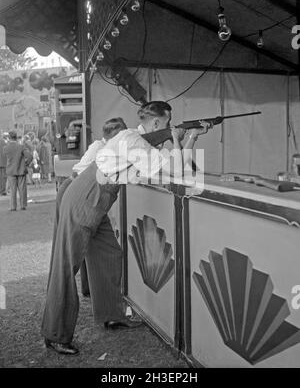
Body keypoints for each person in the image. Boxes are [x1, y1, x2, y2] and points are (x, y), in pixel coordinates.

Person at [41, 101, 211, 355]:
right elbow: (174, 169)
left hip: (99, 197)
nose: (170, 128)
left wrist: (192, 138)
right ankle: (55, 334)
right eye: (167, 124)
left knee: (110, 254)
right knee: (67, 264)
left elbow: (179, 168)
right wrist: (176, 140)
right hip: (87, 195)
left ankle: (112, 315)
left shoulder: (142, 142)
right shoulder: (133, 140)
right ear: (156, 124)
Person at [50, 118, 128, 299]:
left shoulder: (102, 147)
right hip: (77, 190)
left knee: (86, 250)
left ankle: (89, 290)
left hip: (75, 189)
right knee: (68, 254)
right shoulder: (103, 148)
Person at [4, 131, 32, 211]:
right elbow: (29, 156)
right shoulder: (21, 146)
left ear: (9, 138)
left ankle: (13, 207)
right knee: (22, 188)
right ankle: (23, 205)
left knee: (13, 189)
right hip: (21, 169)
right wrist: (26, 164)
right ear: (16, 137)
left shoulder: (6, 148)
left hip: (11, 170)